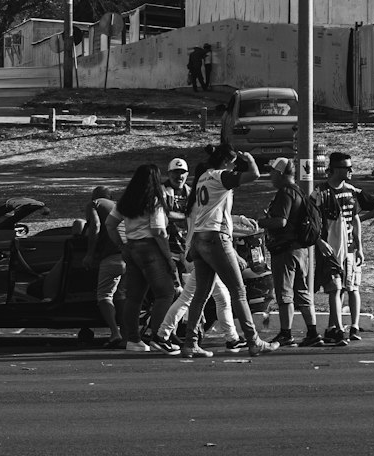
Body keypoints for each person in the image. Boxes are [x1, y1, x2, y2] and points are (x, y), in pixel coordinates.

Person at [180, 141, 275, 357]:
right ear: (226, 162)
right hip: (215, 239)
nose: (234, 168)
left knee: (201, 294)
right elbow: (254, 175)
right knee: (238, 291)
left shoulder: (203, 177)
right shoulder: (220, 176)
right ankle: (254, 341)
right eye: (233, 164)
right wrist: (250, 159)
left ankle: (190, 343)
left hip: (199, 239)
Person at [154, 156, 240, 354]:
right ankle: (163, 334)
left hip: (195, 250)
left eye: (183, 172)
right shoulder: (201, 199)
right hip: (201, 251)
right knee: (194, 297)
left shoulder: (195, 197)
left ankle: (231, 338)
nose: (180, 176)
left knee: (216, 297)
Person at [314, 152, 374, 345]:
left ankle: (348, 327)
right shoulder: (321, 192)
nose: (351, 171)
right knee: (335, 289)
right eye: (347, 168)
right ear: (335, 170)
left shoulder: (351, 191)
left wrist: (360, 246)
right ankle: (336, 329)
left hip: (350, 249)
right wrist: (319, 242)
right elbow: (312, 220)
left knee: (351, 287)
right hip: (330, 249)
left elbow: (356, 218)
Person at [105, 163, 179, 353]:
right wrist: (169, 259)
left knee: (134, 297)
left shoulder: (126, 199)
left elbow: (110, 224)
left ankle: (133, 339)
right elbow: (159, 231)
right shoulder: (154, 199)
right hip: (150, 248)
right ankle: (158, 337)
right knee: (165, 293)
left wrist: (122, 245)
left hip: (131, 247)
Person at [261, 156, 324, 347]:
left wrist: (259, 222)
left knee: (285, 293)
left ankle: (286, 333)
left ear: (280, 173)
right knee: (302, 291)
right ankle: (312, 332)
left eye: (272, 171)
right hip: (300, 251)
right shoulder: (299, 192)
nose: (270, 175)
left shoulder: (285, 193)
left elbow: (281, 221)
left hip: (285, 251)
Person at [83, 184, 125, 348]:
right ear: (111, 197)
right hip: (127, 257)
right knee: (121, 296)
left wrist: (90, 254)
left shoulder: (94, 204)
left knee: (104, 295)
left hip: (110, 258)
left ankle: (115, 333)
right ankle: (127, 334)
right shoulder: (119, 207)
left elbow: (96, 226)